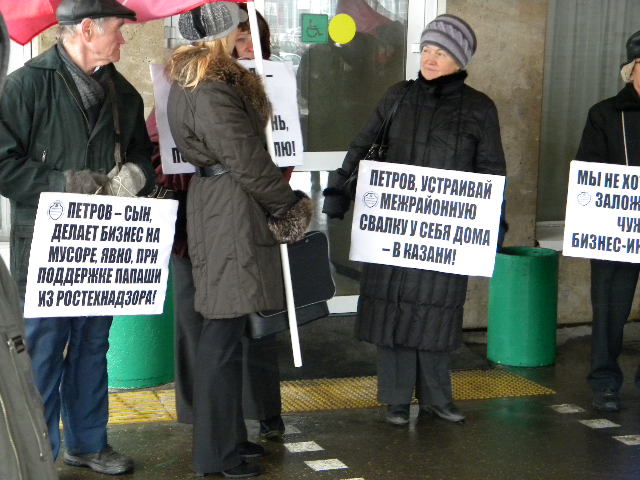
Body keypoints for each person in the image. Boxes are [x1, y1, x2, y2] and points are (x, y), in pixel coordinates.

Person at [323, 14, 506, 426]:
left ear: (460, 59)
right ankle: (395, 399)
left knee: (437, 312)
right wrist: (338, 192)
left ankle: (437, 397)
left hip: (444, 232)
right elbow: (362, 145)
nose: (430, 58)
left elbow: (492, 170)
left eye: (440, 52)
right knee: (392, 312)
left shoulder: (479, 108)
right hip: (393, 229)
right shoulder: (398, 96)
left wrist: (492, 225)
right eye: (426, 49)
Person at [0, 0, 155, 475]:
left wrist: (134, 176)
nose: (123, 39)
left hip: (101, 248)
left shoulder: (124, 96)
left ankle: (88, 444)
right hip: (44, 246)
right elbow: (3, 165)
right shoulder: (26, 85)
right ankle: (39, 453)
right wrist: (62, 182)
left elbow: (142, 158)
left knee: (92, 345)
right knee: (43, 351)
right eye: (118, 29)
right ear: (87, 29)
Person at [165, 3, 312, 477]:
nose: (239, 36)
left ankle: (228, 439)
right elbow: (246, 158)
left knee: (223, 332)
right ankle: (217, 454)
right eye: (234, 29)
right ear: (220, 33)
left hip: (222, 206)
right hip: (230, 210)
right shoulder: (210, 87)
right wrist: (288, 207)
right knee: (222, 335)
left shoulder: (195, 80)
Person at [576, 30, 640, 413]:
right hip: (616, 231)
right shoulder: (604, 114)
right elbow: (588, 171)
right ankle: (604, 382)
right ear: (631, 69)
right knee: (610, 309)